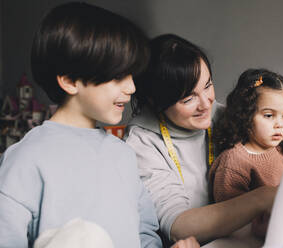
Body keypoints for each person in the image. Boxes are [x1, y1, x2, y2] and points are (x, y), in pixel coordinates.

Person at [0, 3, 198, 248]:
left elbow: (145, 235)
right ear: (70, 80)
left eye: (132, 76)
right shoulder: (25, 159)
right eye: (118, 76)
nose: (132, 88)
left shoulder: (123, 154)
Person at [125, 34, 277, 246]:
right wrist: (262, 199)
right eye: (188, 98)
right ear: (155, 101)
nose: (206, 104)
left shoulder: (225, 115)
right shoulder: (142, 143)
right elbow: (178, 227)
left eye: (208, 86)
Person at [209, 68, 283, 238]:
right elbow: (229, 220)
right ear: (244, 114)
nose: (279, 124)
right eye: (268, 115)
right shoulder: (234, 161)